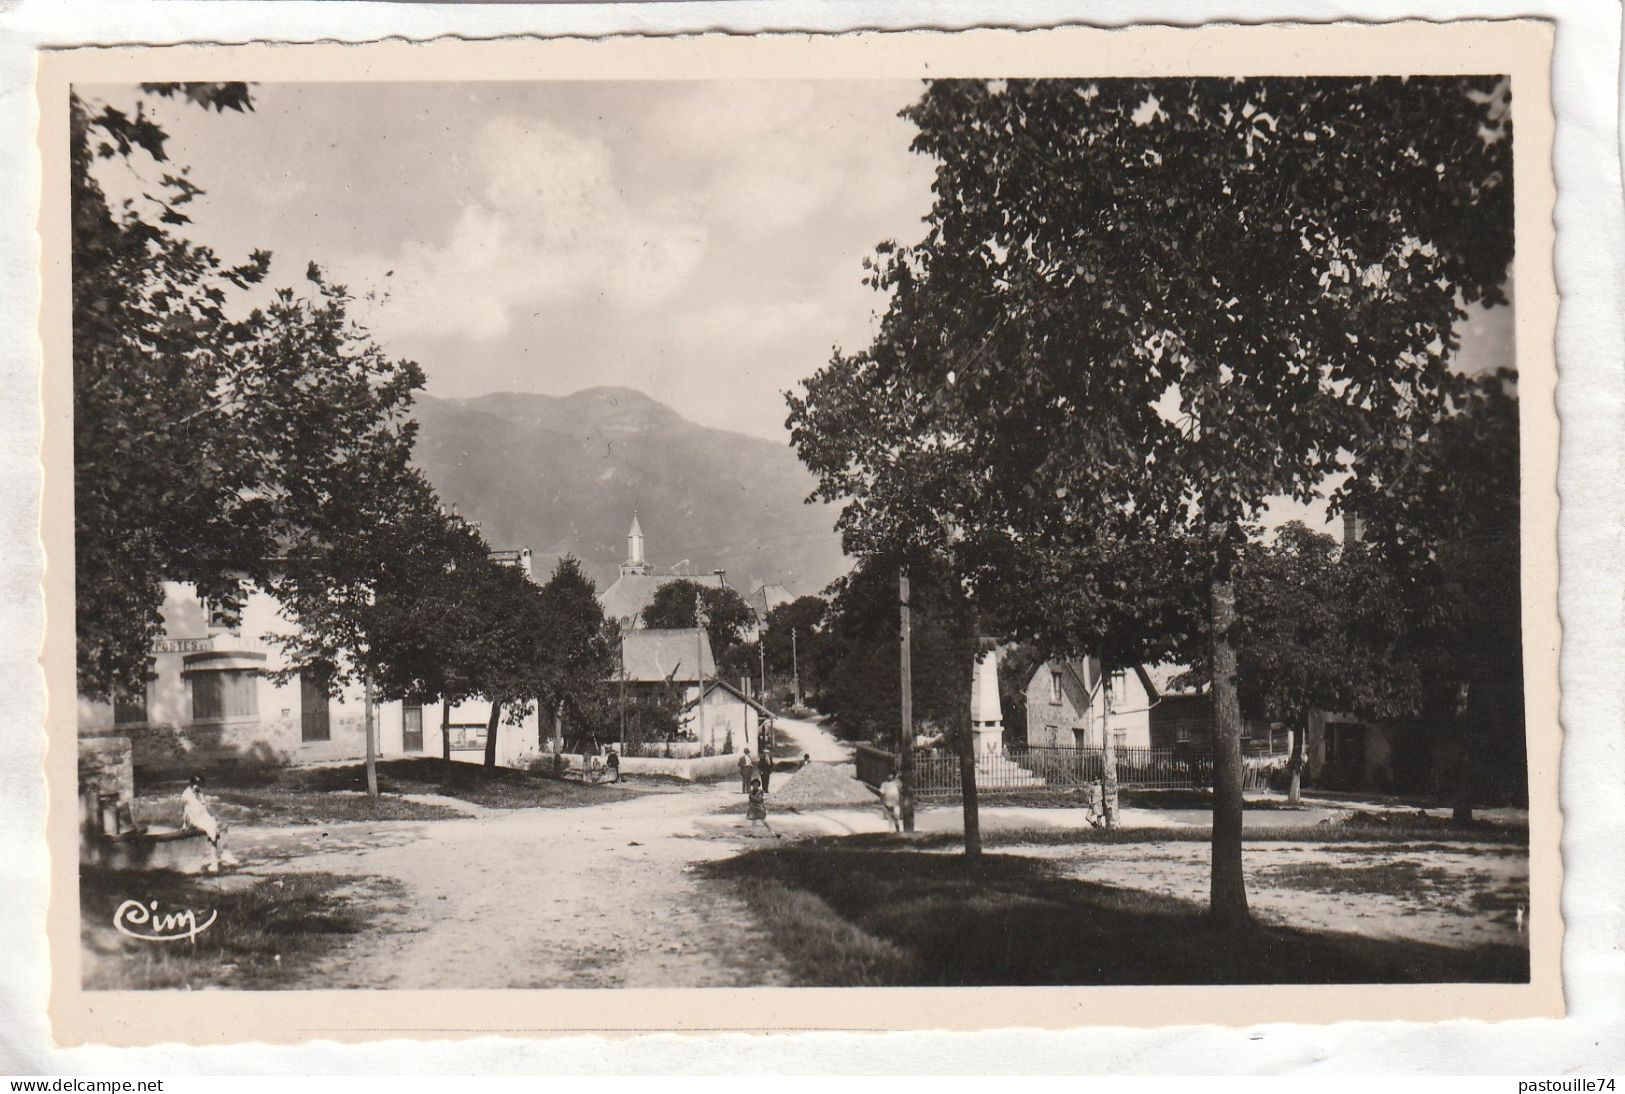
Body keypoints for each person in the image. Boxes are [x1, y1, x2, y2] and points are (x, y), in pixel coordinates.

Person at [180, 774, 238, 872]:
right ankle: (214, 862)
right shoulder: (186, 795)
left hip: (204, 817)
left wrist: (214, 817)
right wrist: (185, 824)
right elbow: (184, 810)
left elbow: (206, 806)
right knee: (213, 829)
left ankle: (225, 852)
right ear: (192, 784)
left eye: (200, 784)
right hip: (195, 819)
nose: (199, 786)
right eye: (197, 784)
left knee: (223, 825)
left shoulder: (199, 792)